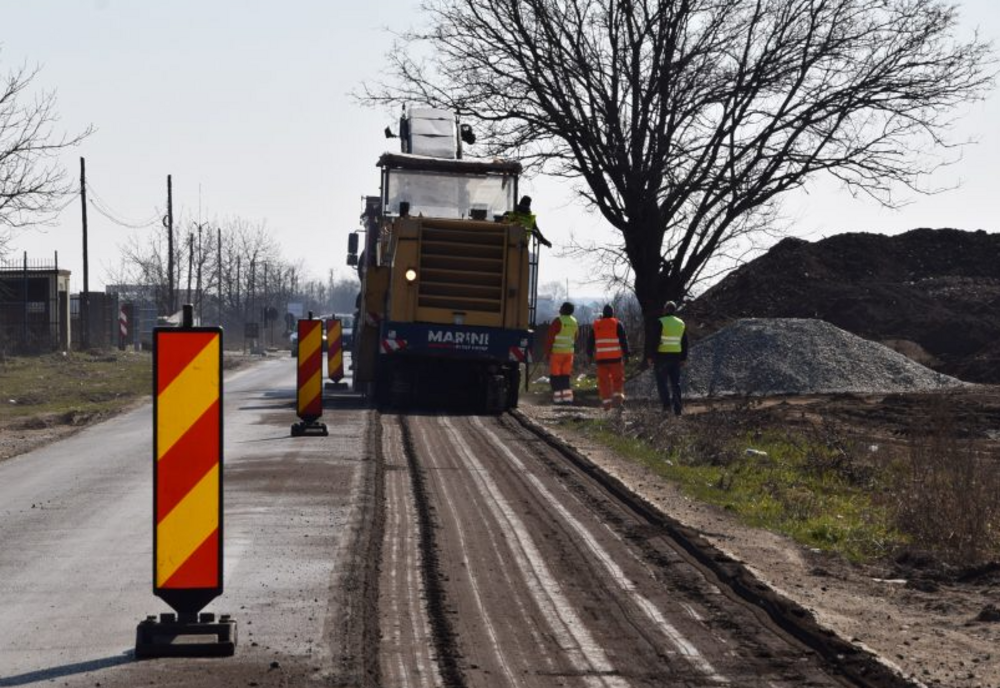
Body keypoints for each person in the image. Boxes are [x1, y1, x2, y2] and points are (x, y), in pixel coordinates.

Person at [646, 300, 688, 416]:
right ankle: (678, 410)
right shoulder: (681, 323)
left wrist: (650, 356)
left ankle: (667, 407)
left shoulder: (661, 322)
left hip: (662, 357)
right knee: (676, 384)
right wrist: (684, 358)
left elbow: (654, 341)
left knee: (662, 383)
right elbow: (684, 342)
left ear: (665, 309)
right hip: (676, 357)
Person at [587, 304, 630, 410]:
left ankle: (606, 405)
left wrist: (589, 354)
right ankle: (618, 403)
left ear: (603, 313)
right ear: (612, 313)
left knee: (604, 381)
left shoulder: (596, 325)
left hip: (601, 360)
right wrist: (627, 354)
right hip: (616, 359)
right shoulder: (617, 324)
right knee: (617, 380)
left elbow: (590, 342)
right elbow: (623, 341)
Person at [544, 301, 578, 404]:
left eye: (561, 307)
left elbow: (550, 338)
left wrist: (547, 353)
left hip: (557, 354)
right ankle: (567, 401)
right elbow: (576, 337)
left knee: (555, 378)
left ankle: (558, 400)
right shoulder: (574, 322)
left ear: (563, 309)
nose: (560, 309)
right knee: (565, 378)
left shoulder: (558, 321)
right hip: (569, 354)